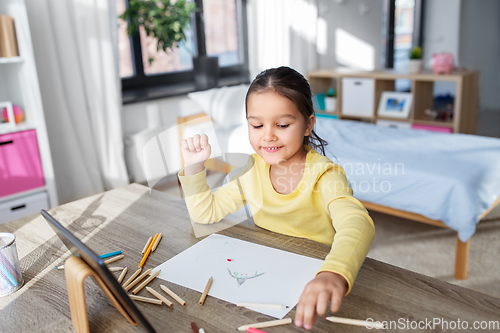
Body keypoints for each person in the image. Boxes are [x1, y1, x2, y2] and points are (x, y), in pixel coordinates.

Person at [178, 66, 375, 330]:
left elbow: (357, 223)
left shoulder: (325, 175)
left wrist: (334, 273)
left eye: (282, 125)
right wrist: (194, 167)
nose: (268, 135)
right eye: (256, 125)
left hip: (315, 283)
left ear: (308, 124)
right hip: (268, 279)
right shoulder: (251, 170)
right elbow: (206, 213)